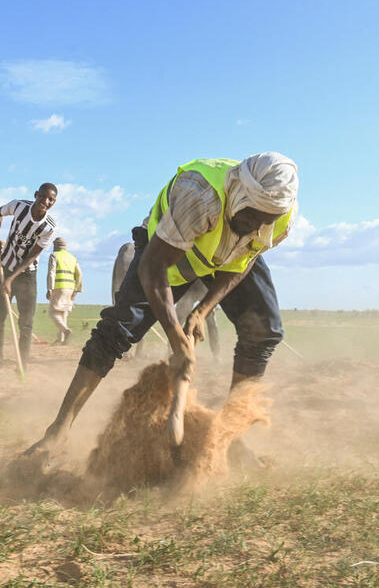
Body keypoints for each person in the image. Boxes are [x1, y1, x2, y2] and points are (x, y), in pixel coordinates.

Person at [25, 153, 298, 456]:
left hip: (222, 260)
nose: (254, 225)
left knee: (264, 332)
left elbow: (245, 259)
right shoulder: (200, 196)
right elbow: (152, 267)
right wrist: (175, 338)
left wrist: (202, 310)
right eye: (251, 215)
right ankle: (58, 430)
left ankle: (227, 439)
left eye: (265, 220)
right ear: (238, 191)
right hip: (164, 256)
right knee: (116, 331)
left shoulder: (280, 217)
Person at [0, 184, 58, 371]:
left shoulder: (49, 227)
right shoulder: (18, 206)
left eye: (51, 199)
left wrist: (10, 280)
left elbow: (32, 256)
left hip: (27, 275)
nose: (46, 201)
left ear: (54, 202)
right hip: (4, 267)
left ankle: (22, 366)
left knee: (26, 324)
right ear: (36, 195)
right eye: (43, 196)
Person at [111, 235, 144, 360]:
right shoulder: (135, 251)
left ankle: (127, 349)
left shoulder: (125, 250)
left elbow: (115, 286)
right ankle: (134, 350)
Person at [46, 237, 82, 344]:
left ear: (55, 246)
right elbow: (79, 274)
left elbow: (51, 273)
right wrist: (76, 289)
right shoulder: (72, 257)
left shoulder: (54, 255)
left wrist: (49, 288)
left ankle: (66, 331)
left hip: (58, 287)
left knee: (53, 313)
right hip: (70, 288)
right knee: (63, 313)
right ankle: (61, 339)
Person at [174, 280, 221, 360]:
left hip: (204, 288)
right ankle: (171, 350)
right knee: (178, 320)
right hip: (189, 289)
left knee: (211, 323)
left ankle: (216, 353)